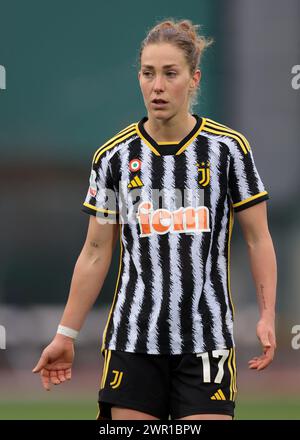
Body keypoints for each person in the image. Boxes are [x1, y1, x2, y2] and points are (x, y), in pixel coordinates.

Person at [32, 19, 277, 420]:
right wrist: (65, 334)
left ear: (194, 79)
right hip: (133, 341)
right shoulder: (112, 157)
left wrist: (267, 315)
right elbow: (95, 252)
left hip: (207, 340)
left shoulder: (228, 151)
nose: (157, 86)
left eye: (170, 74)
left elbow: (258, 239)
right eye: (148, 74)